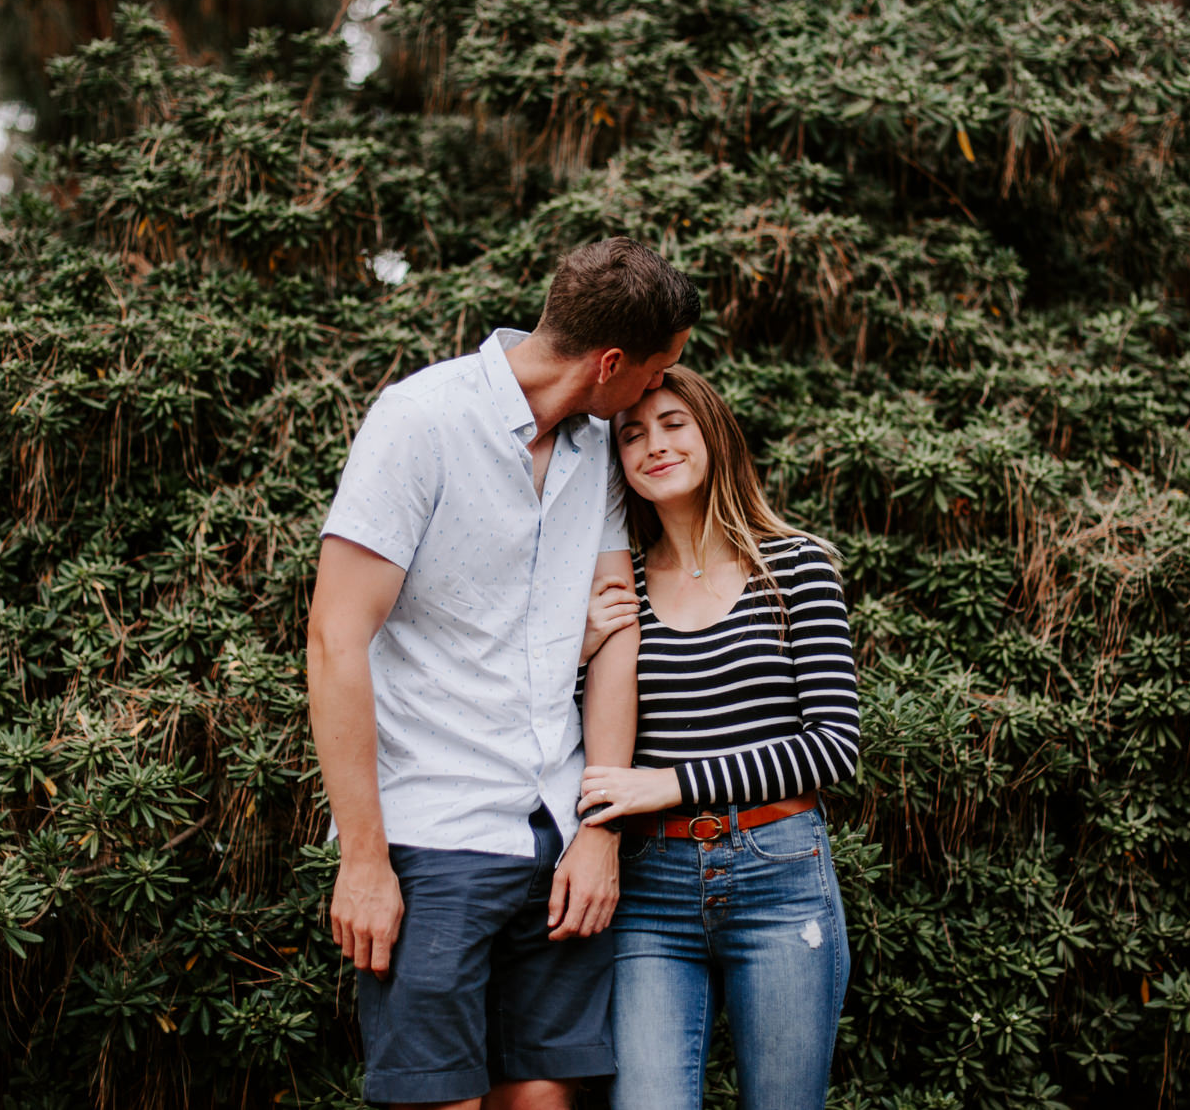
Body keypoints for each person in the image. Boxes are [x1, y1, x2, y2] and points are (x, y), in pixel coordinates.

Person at [306, 238, 699, 1110]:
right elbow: (336, 638)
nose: (653, 393)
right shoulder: (419, 420)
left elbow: (615, 629)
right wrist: (364, 859)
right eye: (653, 372)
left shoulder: (596, 447)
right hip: (431, 838)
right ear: (608, 364)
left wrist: (596, 829)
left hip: (556, 843)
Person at [576, 366, 860, 1110]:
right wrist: (572, 655)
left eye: (673, 422)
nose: (653, 444)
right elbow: (570, 731)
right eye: (631, 434)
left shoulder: (796, 567)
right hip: (649, 884)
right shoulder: (618, 588)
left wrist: (670, 781)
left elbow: (833, 745)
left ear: (714, 434)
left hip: (780, 872)